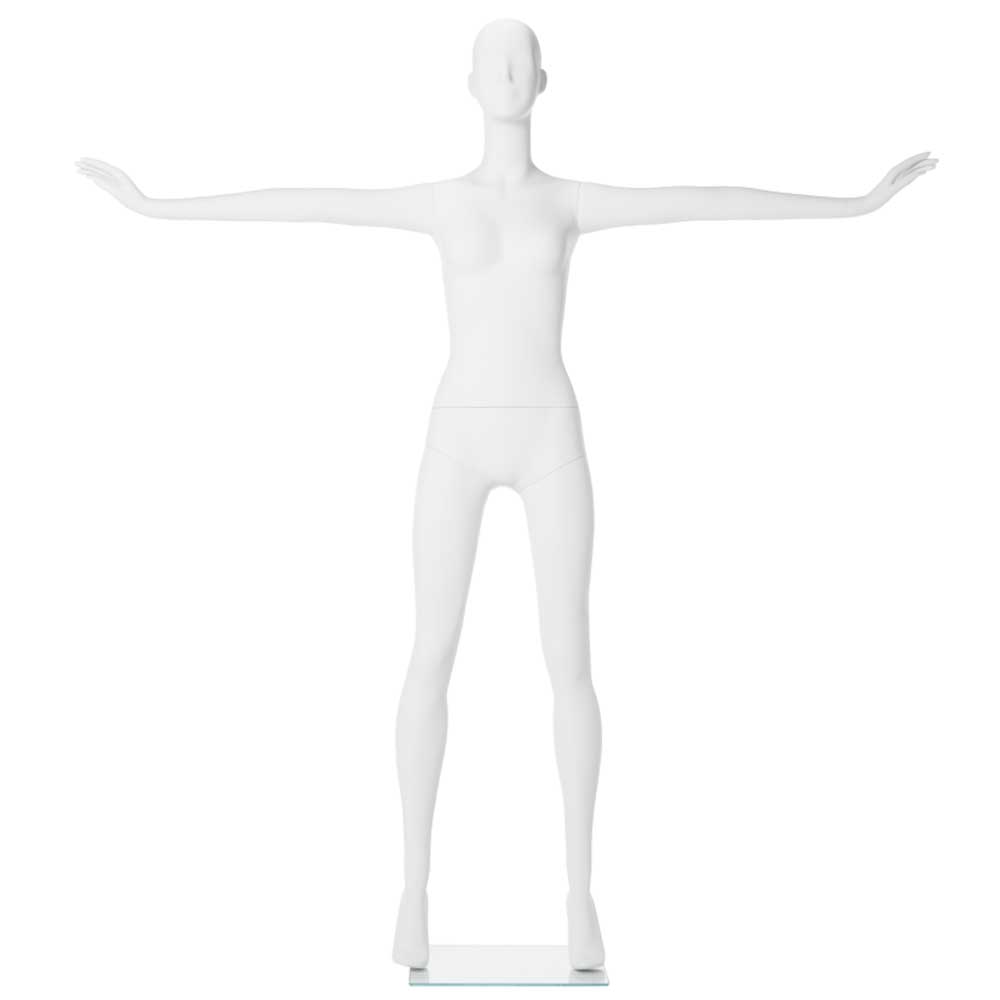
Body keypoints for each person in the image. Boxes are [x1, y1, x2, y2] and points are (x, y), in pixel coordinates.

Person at [76, 17, 936, 973]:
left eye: (522, 59)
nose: (510, 71)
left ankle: (581, 899)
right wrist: (157, 207)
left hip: (548, 438)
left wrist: (855, 204)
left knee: (570, 662)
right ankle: (412, 894)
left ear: (545, 81)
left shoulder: (568, 202)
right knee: (428, 653)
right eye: (494, 60)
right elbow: (310, 202)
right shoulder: (438, 203)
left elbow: (705, 200)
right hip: (456, 435)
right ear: (469, 82)